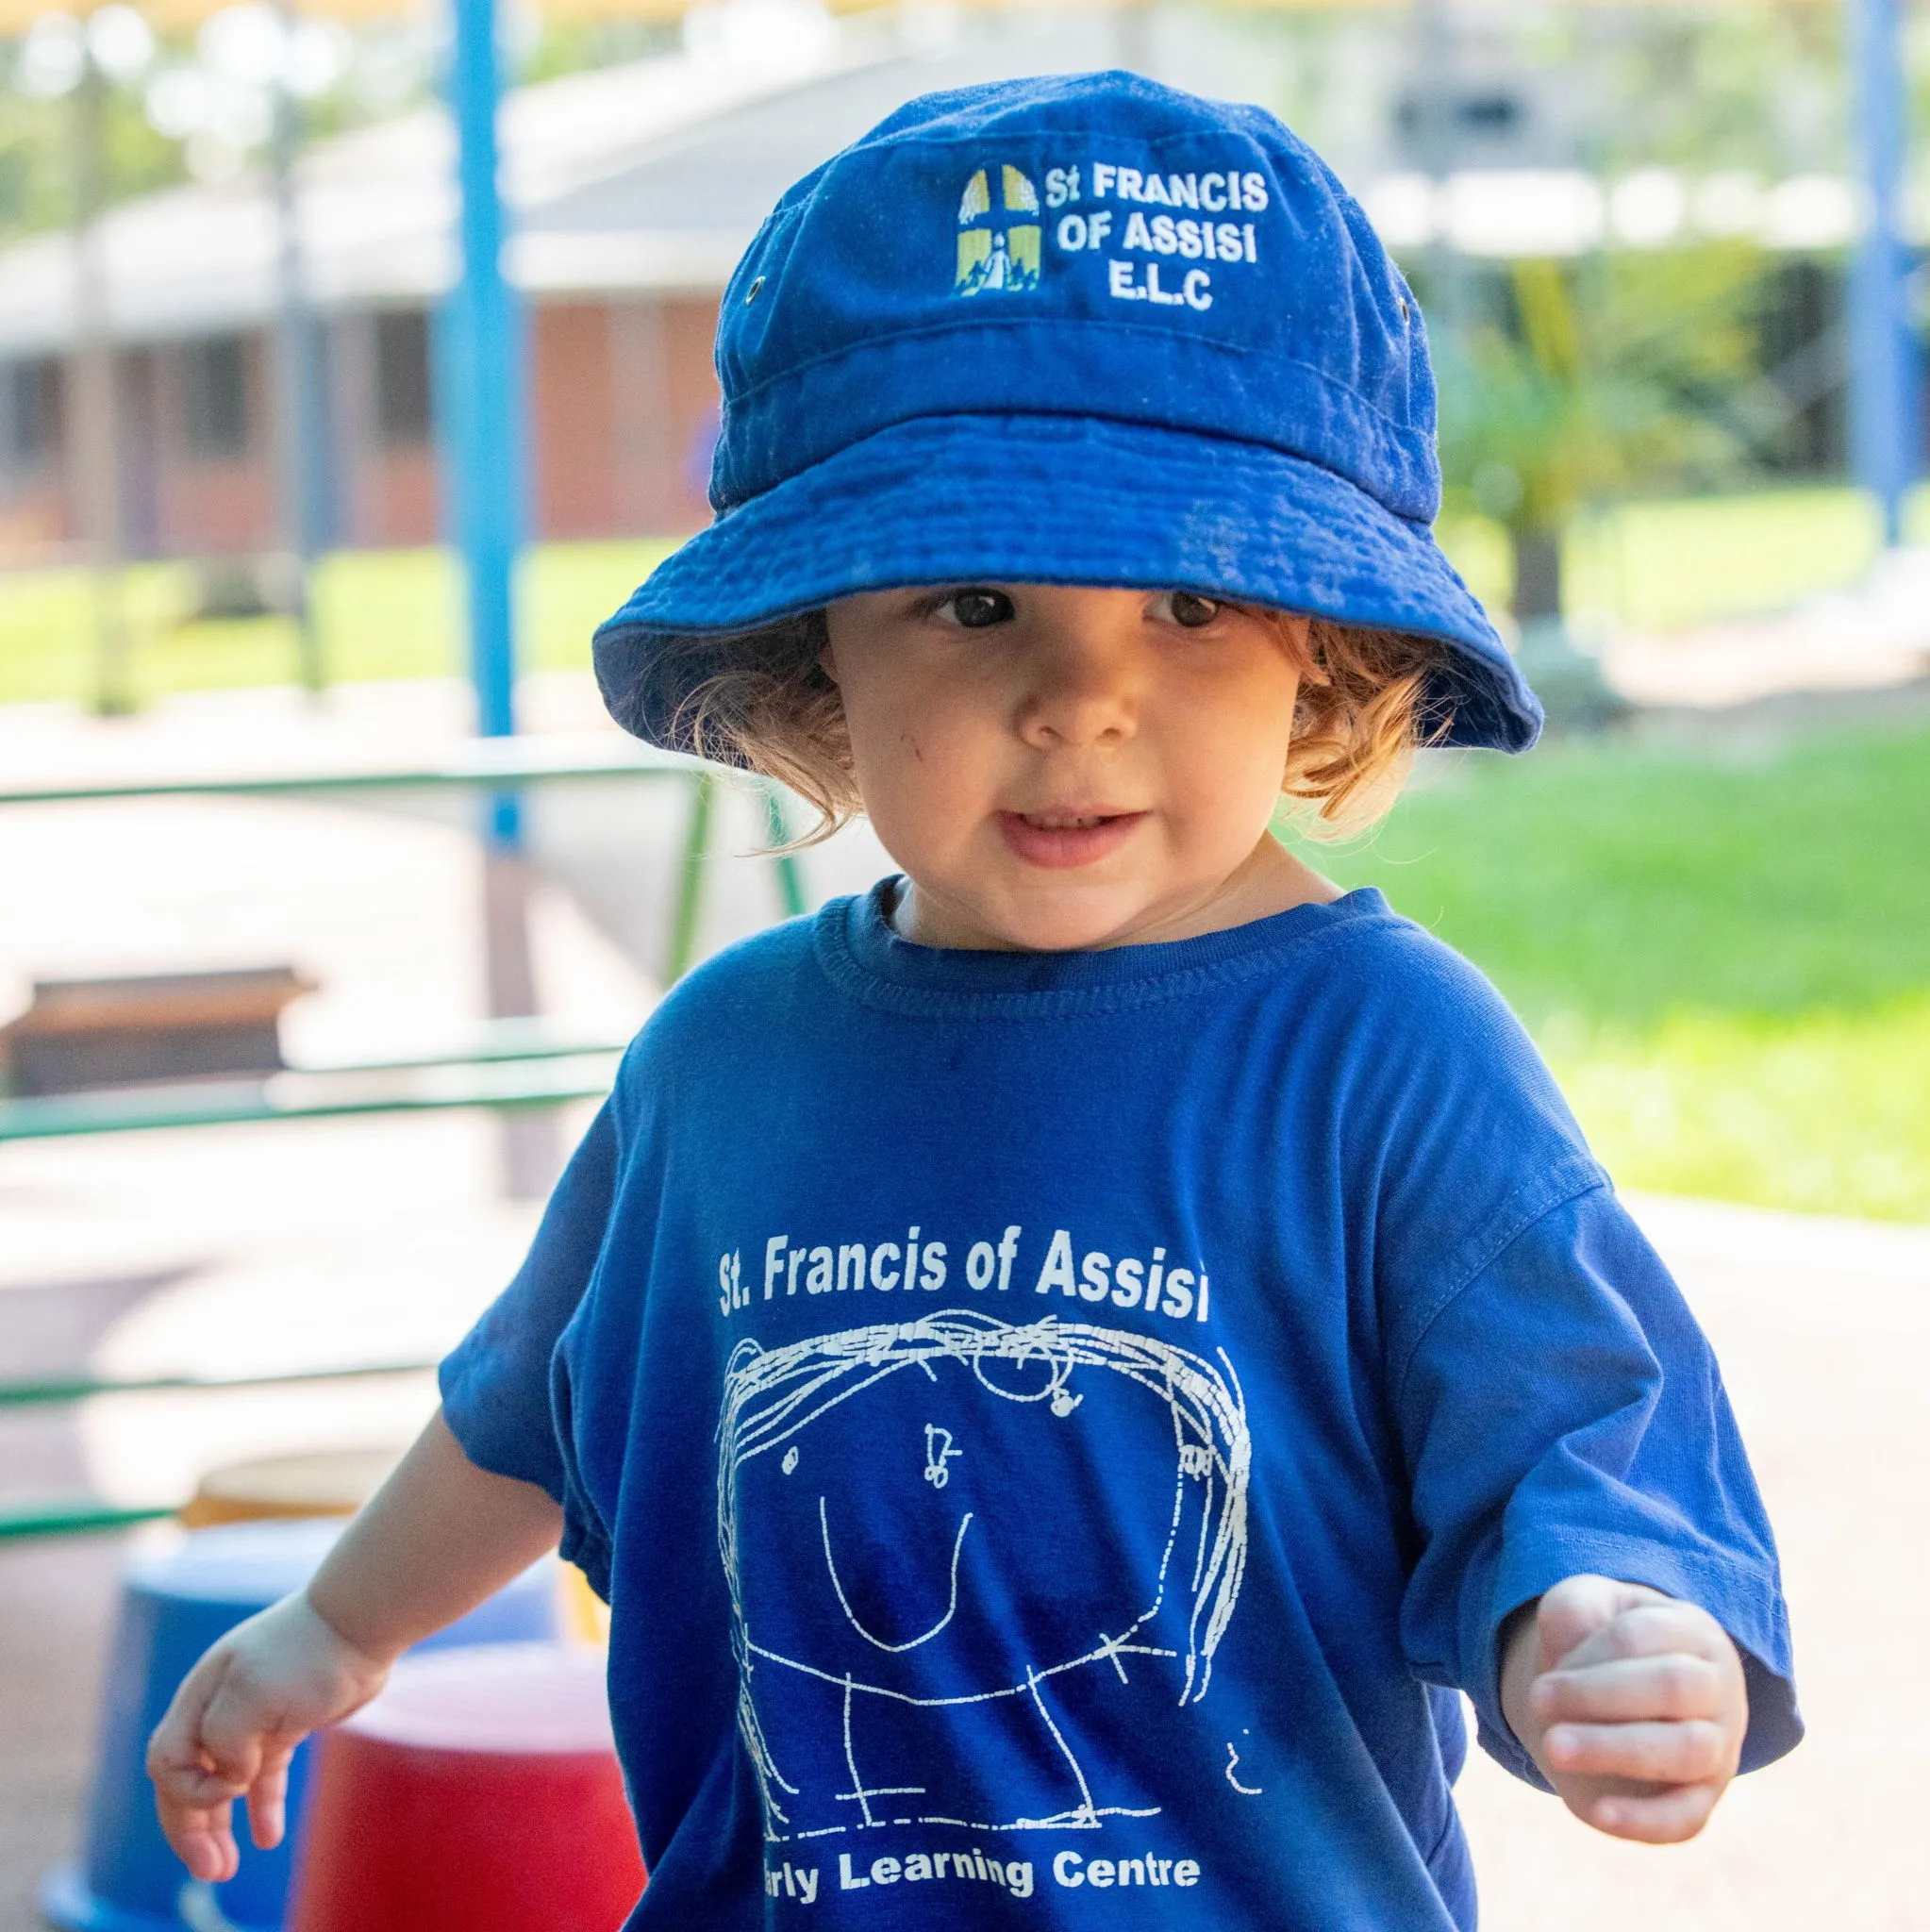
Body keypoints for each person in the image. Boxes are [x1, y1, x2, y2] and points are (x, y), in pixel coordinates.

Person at [147, 72, 1800, 1928]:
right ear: (817, 648)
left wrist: (1610, 1615)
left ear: (1327, 651)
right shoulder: (724, 1064)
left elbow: (1577, 1431)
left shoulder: (1384, 1059)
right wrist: (331, 1627)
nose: (1079, 698)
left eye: (1187, 605)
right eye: (974, 598)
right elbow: (533, 1401)